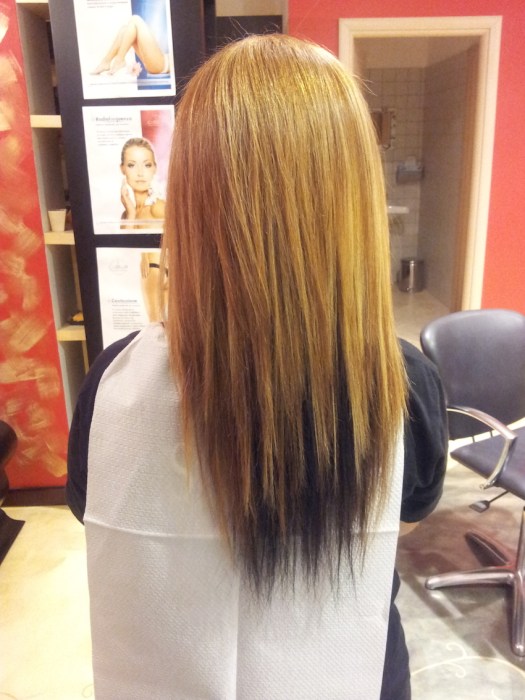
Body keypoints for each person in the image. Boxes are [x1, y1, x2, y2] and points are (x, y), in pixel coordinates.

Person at [67, 35, 447, 699]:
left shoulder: (114, 386)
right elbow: (403, 519)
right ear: (353, 196)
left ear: (190, 196)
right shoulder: (403, 386)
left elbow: (95, 515)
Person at [91, 15, 170, 76]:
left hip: (163, 64)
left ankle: (119, 60)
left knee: (135, 19)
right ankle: (106, 62)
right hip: (159, 63)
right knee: (125, 29)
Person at [119, 137, 165, 229]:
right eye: (131, 165)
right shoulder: (126, 215)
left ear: (155, 168)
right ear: (122, 169)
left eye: (147, 165)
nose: (140, 173)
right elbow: (126, 239)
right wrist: (131, 213)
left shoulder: (159, 208)